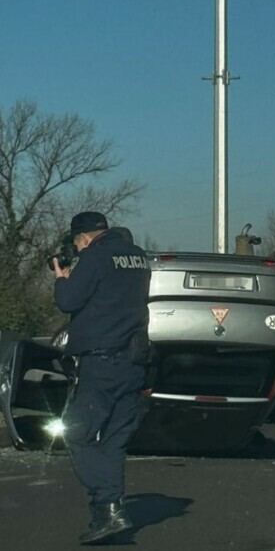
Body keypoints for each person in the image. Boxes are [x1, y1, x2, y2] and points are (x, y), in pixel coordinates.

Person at [51, 211, 151, 544]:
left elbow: (68, 300)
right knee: (113, 440)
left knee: (76, 433)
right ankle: (108, 513)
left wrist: (62, 277)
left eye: (77, 243)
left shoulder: (94, 257)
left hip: (101, 363)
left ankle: (108, 506)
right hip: (134, 362)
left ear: (84, 237)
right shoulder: (137, 258)